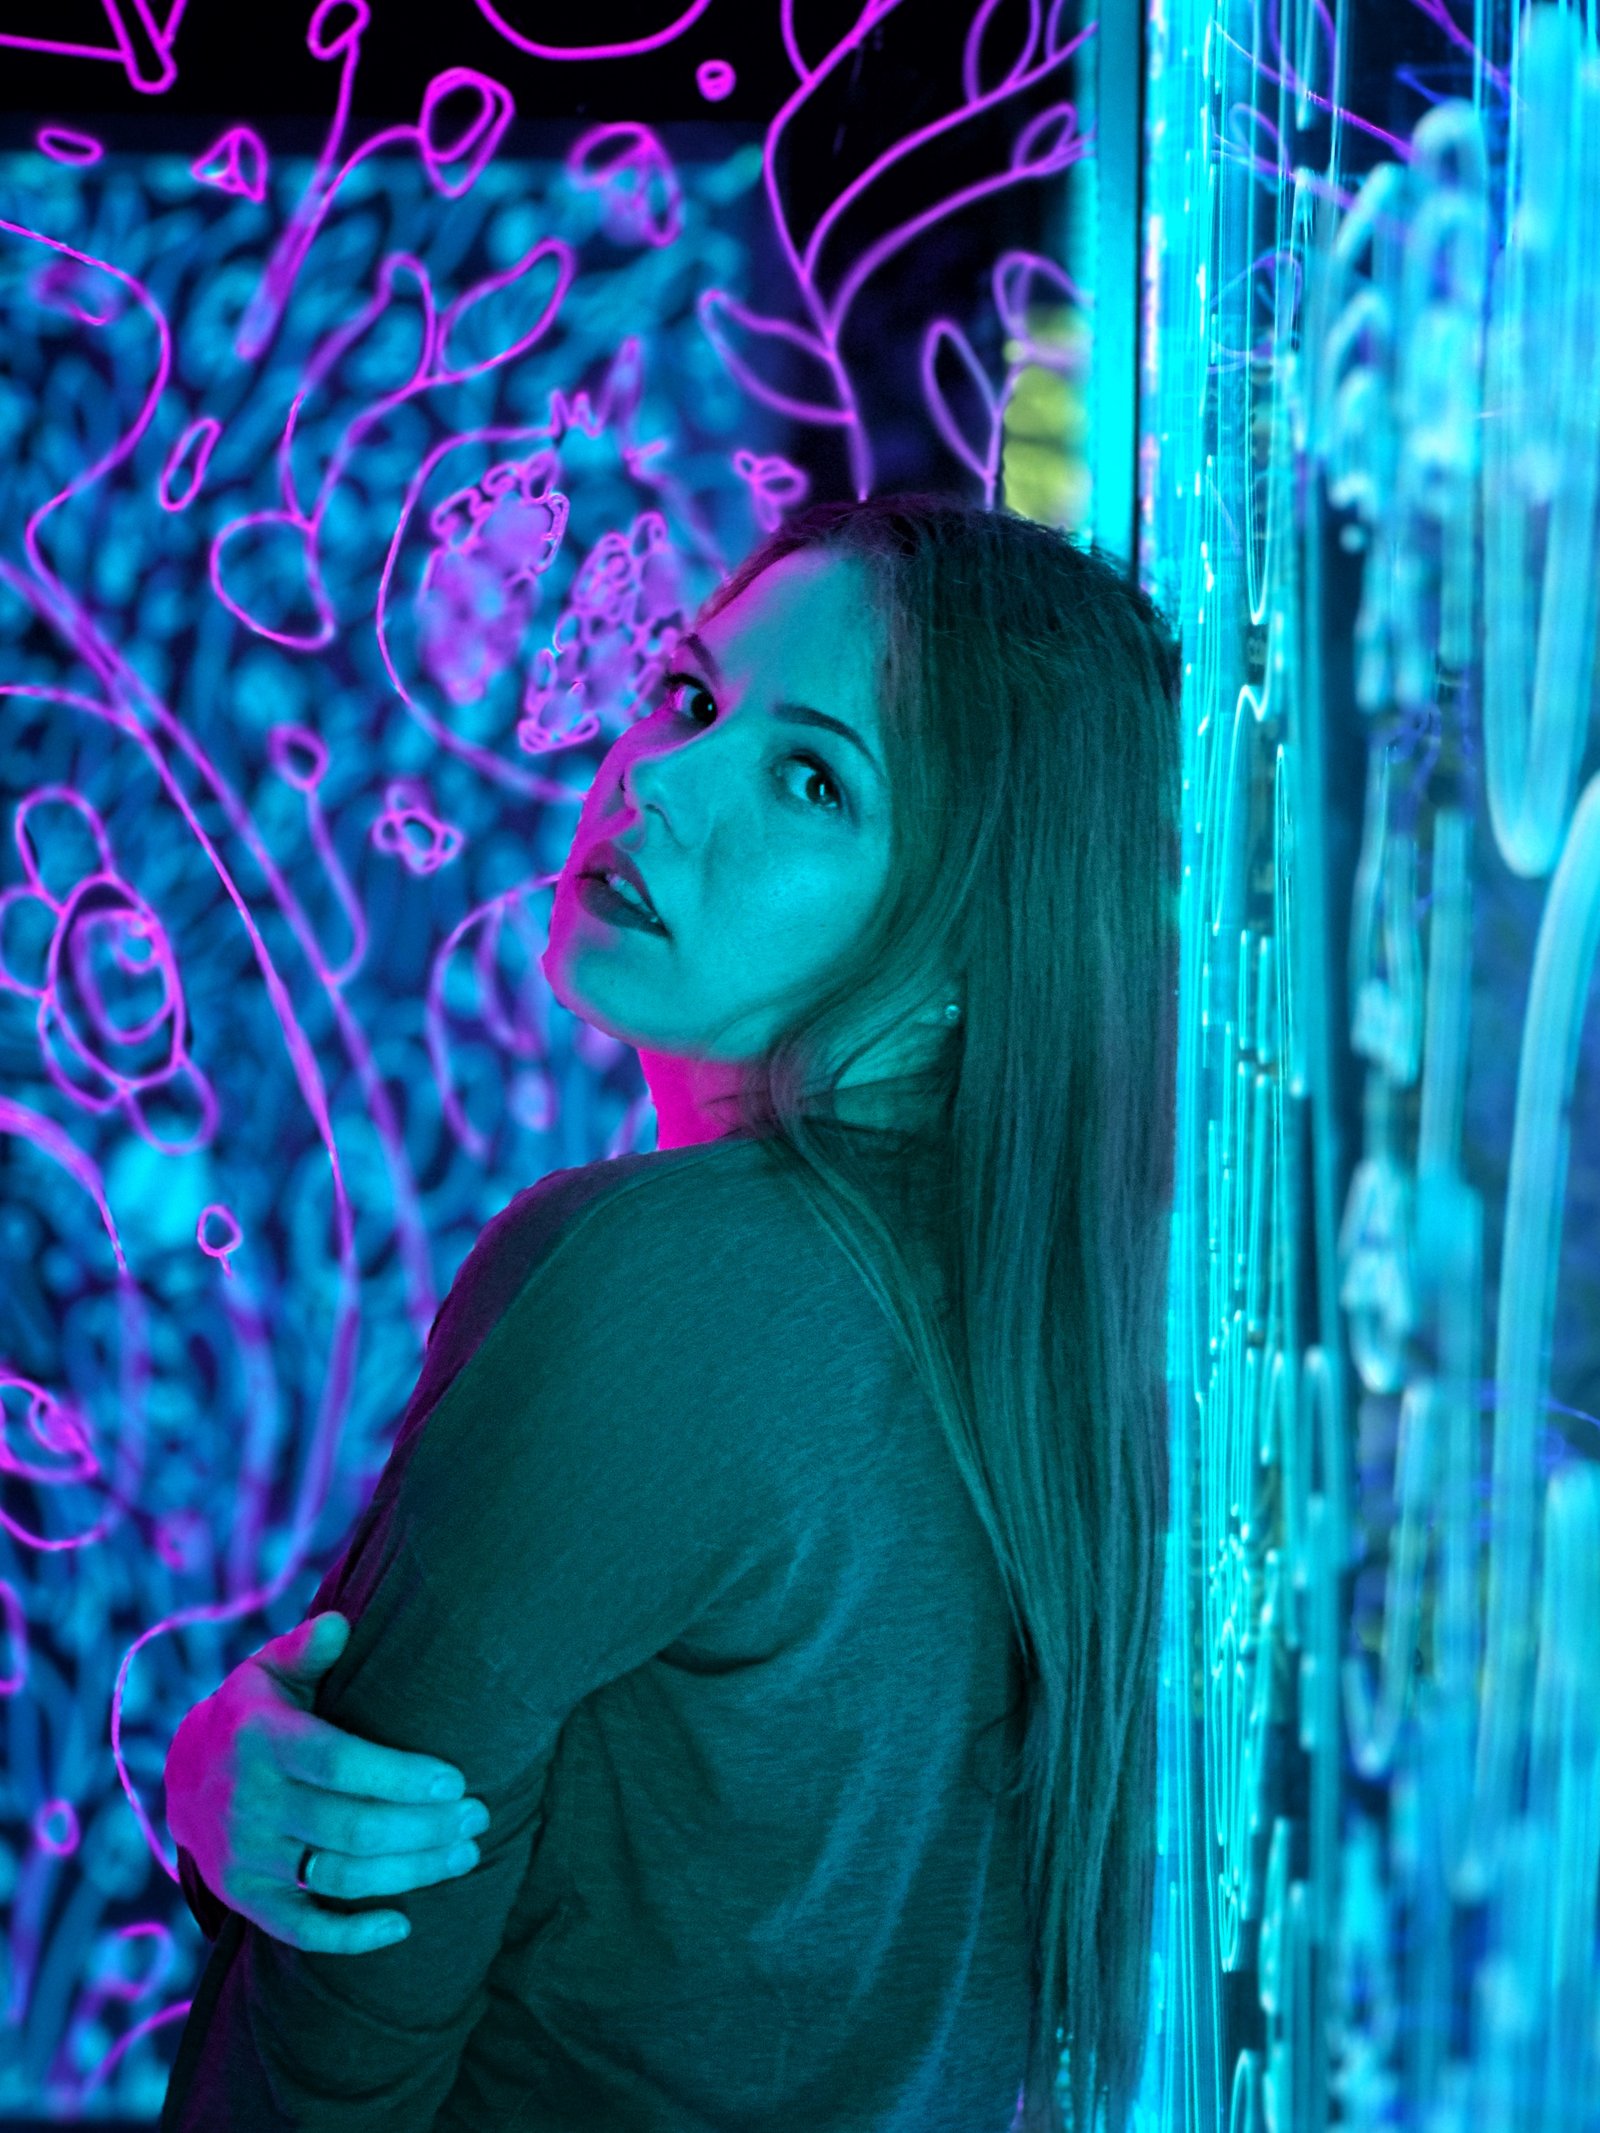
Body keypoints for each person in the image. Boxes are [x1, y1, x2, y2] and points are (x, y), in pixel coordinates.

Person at [159, 495, 1181, 2133]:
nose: (660, 779)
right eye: (692, 695)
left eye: (813, 779)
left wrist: (218, 1808)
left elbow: (331, 2039)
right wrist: (239, 1805)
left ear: (974, 943)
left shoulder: (661, 1277)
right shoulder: (1039, 1350)